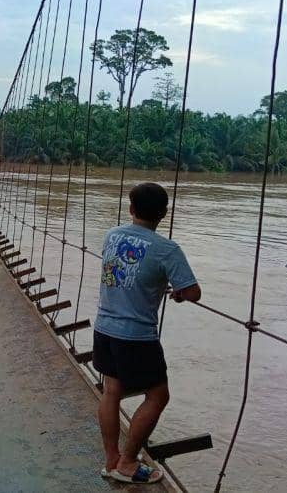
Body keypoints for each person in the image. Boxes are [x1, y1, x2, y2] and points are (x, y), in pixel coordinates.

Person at [95, 182, 201, 484]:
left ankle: (112, 460)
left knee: (111, 392)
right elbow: (193, 292)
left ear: (131, 209)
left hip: (104, 328)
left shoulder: (112, 235)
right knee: (158, 395)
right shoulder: (167, 249)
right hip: (136, 336)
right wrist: (178, 292)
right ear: (164, 214)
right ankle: (128, 463)